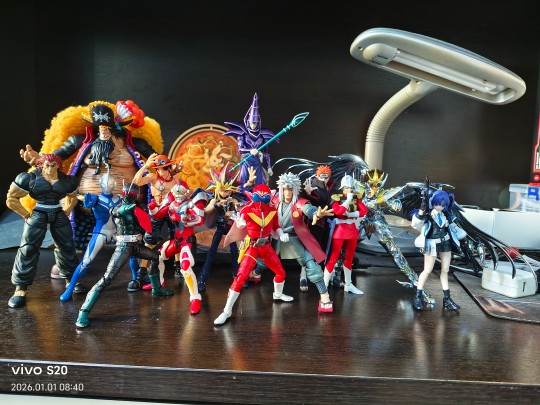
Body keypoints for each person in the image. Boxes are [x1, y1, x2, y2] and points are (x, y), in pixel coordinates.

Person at [20, 100, 161, 251]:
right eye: (100, 128)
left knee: (137, 243)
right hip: (86, 205)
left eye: (108, 128)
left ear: (118, 127)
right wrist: (38, 159)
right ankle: (74, 250)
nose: (104, 132)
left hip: (127, 205)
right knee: (73, 240)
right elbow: (53, 158)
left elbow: (159, 161)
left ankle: (137, 251)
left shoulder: (135, 144)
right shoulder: (80, 142)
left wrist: (169, 169)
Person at [76, 183, 173, 328]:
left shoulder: (138, 208)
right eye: (126, 193)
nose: (128, 196)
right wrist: (129, 208)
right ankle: (83, 311)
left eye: (132, 194)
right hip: (123, 248)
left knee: (156, 257)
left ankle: (156, 288)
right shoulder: (118, 208)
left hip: (136, 246)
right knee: (107, 278)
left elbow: (147, 221)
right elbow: (117, 212)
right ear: (122, 193)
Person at [6, 154, 79, 308]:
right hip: (39, 212)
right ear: (41, 165)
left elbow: (73, 197)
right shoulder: (30, 178)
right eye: (47, 165)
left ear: (58, 166)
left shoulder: (67, 180)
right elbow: (11, 199)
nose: (50, 168)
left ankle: (72, 281)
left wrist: (67, 210)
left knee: (67, 246)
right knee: (28, 248)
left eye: (53, 165)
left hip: (58, 212)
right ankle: (20, 288)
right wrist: (26, 215)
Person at [214, 184, 292, 325]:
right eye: (258, 196)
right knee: (241, 277)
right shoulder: (247, 209)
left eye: (265, 196)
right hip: (253, 246)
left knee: (281, 272)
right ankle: (227, 311)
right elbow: (241, 222)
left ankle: (278, 294)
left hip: (266, 246)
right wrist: (240, 223)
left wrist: (281, 234)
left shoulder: (272, 210)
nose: (261, 200)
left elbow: (276, 226)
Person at [272, 172, 334, 312]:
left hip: (294, 240)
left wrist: (316, 214)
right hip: (275, 239)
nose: (287, 192)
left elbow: (309, 209)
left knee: (312, 266)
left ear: (295, 190)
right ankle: (254, 275)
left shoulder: (299, 203)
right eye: (285, 189)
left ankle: (324, 296)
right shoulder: (274, 201)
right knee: (258, 261)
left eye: (290, 189)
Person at [152, 181, 207, 315]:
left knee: (186, 267)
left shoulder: (191, 203)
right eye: (176, 193)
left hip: (187, 241)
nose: (178, 196)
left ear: (187, 192)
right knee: (157, 257)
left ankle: (195, 298)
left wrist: (181, 218)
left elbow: (199, 220)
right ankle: (159, 285)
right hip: (176, 240)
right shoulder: (171, 204)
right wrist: (152, 207)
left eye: (181, 192)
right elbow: (157, 215)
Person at [132, 152, 184, 286]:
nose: (162, 171)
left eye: (165, 168)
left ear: (169, 168)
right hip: (157, 212)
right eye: (159, 169)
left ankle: (178, 266)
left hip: (171, 211)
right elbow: (136, 182)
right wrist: (145, 166)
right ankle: (142, 271)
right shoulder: (153, 177)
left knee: (177, 237)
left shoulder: (175, 180)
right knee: (149, 240)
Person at [410, 189, 464, 311]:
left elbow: (454, 228)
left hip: (445, 243)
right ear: (432, 203)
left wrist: (459, 234)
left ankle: (447, 299)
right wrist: (421, 211)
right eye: (437, 204)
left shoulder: (446, 215)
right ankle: (417, 297)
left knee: (445, 270)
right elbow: (415, 224)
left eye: (443, 205)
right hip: (431, 244)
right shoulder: (428, 216)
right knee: (427, 270)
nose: (440, 207)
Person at [324, 174, 368, 294]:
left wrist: (352, 214)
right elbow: (338, 212)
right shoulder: (337, 198)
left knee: (349, 258)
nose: (349, 190)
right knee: (333, 258)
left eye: (351, 188)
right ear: (342, 188)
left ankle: (348, 285)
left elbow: (364, 211)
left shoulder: (356, 198)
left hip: (352, 230)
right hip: (340, 230)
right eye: (347, 187)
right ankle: (324, 285)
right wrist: (348, 200)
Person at [224, 93, 275, 185]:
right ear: (248, 122)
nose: (253, 125)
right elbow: (240, 150)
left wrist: (269, 167)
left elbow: (266, 153)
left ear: (258, 123)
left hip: (257, 162)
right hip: (246, 161)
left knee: (260, 184)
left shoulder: (263, 135)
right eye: (251, 123)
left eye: (255, 123)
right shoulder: (243, 134)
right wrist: (250, 150)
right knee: (243, 183)